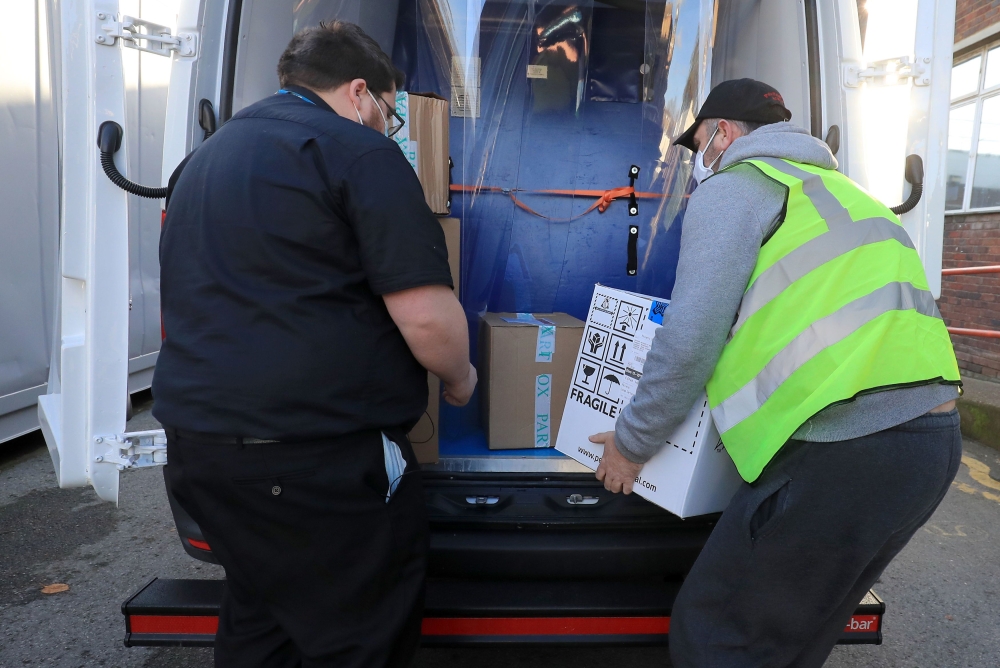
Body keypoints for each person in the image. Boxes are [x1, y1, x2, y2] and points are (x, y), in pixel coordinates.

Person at [588, 78, 962, 667]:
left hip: (850, 448)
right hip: (929, 448)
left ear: (724, 133)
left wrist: (632, 444)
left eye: (701, 145)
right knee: (790, 641)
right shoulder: (844, 193)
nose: (702, 160)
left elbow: (689, 338)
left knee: (716, 633)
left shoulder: (738, 188)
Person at [153, 21, 476, 668]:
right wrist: (461, 377)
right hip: (313, 467)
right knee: (359, 634)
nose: (392, 127)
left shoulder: (206, 158)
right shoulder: (358, 153)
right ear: (361, 93)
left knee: (262, 619)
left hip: (202, 456)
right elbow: (427, 320)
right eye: (392, 111)